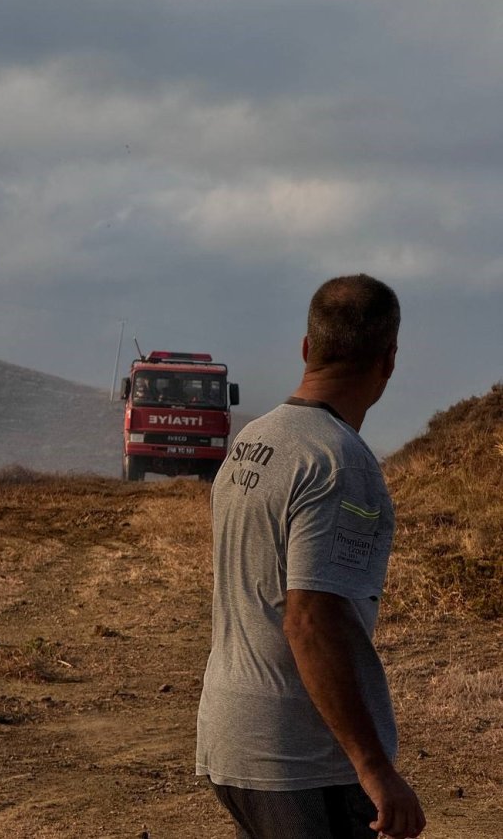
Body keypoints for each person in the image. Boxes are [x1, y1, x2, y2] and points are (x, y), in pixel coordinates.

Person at [196, 274, 426, 839]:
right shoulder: (339, 463)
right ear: (389, 359)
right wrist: (375, 769)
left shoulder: (253, 442)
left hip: (232, 738)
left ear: (306, 348)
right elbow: (309, 620)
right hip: (300, 761)